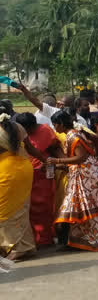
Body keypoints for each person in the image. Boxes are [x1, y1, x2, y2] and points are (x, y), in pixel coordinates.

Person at [50, 110, 98, 251]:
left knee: (75, 208)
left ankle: (90, 240)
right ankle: (80, 240)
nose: (54, 128)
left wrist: (57, 160)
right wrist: (56, 165)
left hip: (85, 178)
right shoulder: (73, 134)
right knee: (79, 209)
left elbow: (81, 157)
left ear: (61, 124)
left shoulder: (73, 136)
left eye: (55, 125)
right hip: (84, 174)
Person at [15, 113, 62, 247]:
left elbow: (55, 150)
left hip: (42, 175)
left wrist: (53, 163)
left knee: (43, 208)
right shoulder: (17, 134)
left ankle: (45, 239)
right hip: (24, 176)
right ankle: (32, 239)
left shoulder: (46, 131)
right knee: (28, 210)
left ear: (30, 127)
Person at [0, 110, 35, 261]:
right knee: (21, 209)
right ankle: (25, 246)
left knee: (5, 212)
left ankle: (16, 247)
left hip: (6, 171)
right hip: (24, 168)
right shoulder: (18, 126)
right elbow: (30, 147)